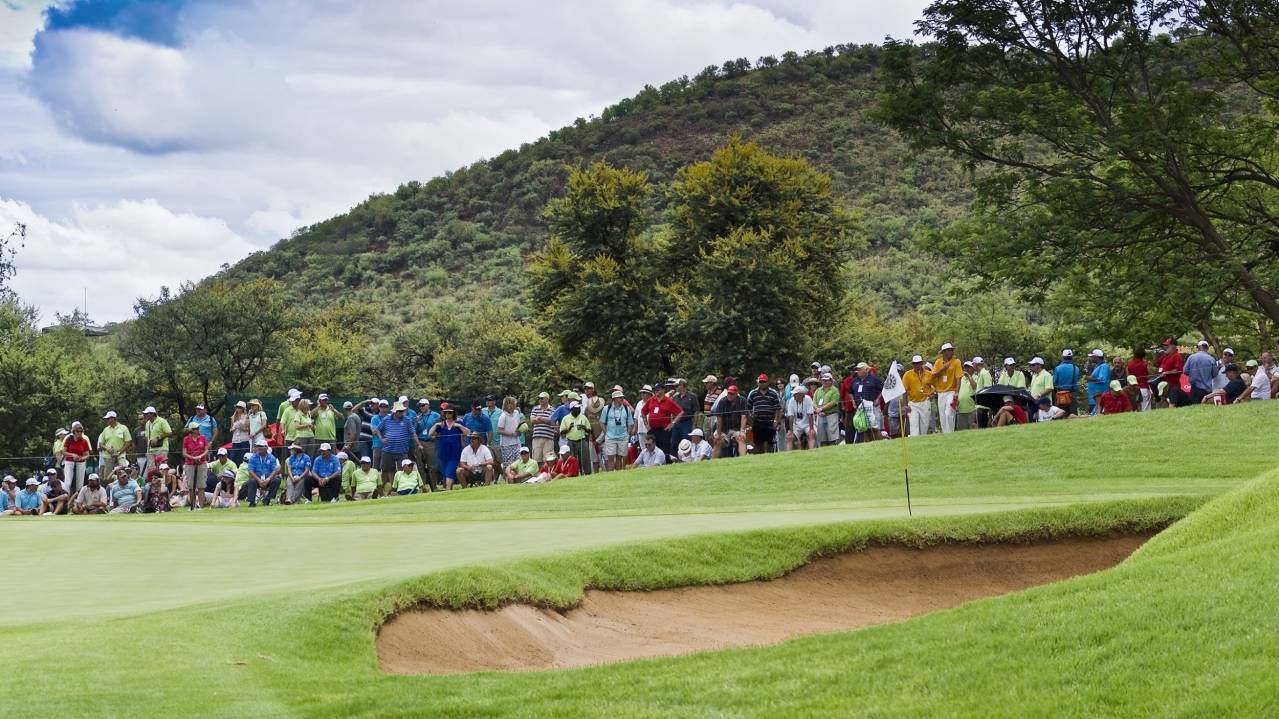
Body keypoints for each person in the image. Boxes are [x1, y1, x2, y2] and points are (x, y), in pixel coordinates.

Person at [376, 403, 420, 495]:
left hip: (402, 450)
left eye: (403, 411)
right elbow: (378, 430)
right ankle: (381, 491)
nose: (402, 413)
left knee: (402, 470)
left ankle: (398, 490)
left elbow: (413, 433)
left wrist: (418, 444)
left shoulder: (407, 420)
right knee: (386, 470)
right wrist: (382, 439)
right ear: (395, 412)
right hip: (388, 450)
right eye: (400, 411)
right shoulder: (386, 419)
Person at [429, 406, 469, 490]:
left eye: (450, 412)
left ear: (453, 413)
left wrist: (459, 426)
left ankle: (448, 489)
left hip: (454, 453)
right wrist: (436, 425)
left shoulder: (458, 422)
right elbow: (430, 434)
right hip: (443, 452)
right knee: (445, 472)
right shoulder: (441, 424)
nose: (447, 414)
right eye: (446, 412)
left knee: (449, 471)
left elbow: (468, 432)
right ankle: (449, 489)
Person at [930, 343, 963, 434]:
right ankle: (946, 435)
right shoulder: (938, 362)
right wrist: (943, 369)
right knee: (942, 416)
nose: (951, 352)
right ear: (943, 352)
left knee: (949, 413)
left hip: (951, 392)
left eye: (951, 350)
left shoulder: (956, 362)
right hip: (940, 393)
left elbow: (958, 378)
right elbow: (932, 376)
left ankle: (950, 434)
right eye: (948, 350)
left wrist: (956, 392)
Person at [644, 384, 683, 456]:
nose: (656, 391)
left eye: (658, 389)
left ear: (663, 390)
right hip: (652, 430)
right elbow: (643, 412)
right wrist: (646, 424)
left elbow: (680, 412)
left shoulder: (668, 401)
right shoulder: (651, 400)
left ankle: (665, 464)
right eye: (655, 390)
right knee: (651, 449)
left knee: (664, 450)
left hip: (664, 430)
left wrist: (673, 423)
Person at [745, 374, 781, 453]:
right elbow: (748, 408)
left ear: (767, 382)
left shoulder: (773, 393)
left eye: (764, 382)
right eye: (761, 382)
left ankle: (770, 460)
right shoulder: (753, 393)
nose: (762, 383)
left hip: (770, 422)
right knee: (758, 444)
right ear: (758, 382)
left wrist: (776, 421)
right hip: (757, 422)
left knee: (770, 444)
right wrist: (751, 421)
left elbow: (778, 408)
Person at [413, 399, 441, 492]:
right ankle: (423, 487)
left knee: (432, 465)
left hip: (431, 442)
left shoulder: (435, 415)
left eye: (422, 405)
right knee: (420, 465)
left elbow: (440, 428)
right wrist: (416, 422)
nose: (421, 407)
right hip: (420, 442)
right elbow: (415, 431)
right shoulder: (419, 416)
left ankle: (434, 486)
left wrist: (436, 436)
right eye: (420, 406)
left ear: (427, 405)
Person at [558, 401, 593, 475]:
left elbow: (589, 429)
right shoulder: (566, 418)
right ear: (571, 409)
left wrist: (584, 428)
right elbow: (561, 432)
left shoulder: (583, 417)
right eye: (576, 408)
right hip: (571, 442)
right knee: (572, 460)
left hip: (582, 440)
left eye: (579, 408)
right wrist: (569, 429)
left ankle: (587, 474)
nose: (578, 409)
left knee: (585, 459)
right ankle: (573, 475)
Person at [901, 356, 934, 437]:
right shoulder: (907, 375)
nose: (917, 365)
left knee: (924, 427)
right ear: (912, 364)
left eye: (918, 363)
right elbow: (904, 390)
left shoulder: (929, 374)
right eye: (915, 363)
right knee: (913, 426)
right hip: (913, 404)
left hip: (925, 402)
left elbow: (935, 386)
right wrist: (905, 405)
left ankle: (922, 444)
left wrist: (933, 393)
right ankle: (915, 443)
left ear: (922, 363)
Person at [244, 439, 282, 507]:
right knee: (251, 481)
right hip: (257, 479)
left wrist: (268, 479)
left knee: (277, 480)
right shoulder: (253, 457)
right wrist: (259, 480)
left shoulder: (272, 458)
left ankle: (267, 499)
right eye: (257, 446)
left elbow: (275, 470)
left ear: (266, 447)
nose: (259, 448)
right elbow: (250, 470)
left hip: (268, 479)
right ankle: (252, 502)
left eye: (261, 446)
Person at [180, 422, 209, 509]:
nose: (198, 430)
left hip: (202, 463)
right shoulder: (186, 439)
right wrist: (193, 457)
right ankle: (192, 506)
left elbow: (206, 450)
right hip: (190, 464)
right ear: (192, 430)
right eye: (196, 428)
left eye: (198, 428)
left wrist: (200, 456)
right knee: (191, 487)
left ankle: (200, 506)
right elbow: (184, 453)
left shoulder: (203, 438)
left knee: (201, 486)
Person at [97, 411, 132, 481]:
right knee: (107, 477)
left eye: (108, 418)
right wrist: (107, 448)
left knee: (124, 472)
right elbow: (101, 444)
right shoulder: (105, 430)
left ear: (113, 419)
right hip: (108, 456)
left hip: (121, 455)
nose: (106, 420)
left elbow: (128, 441)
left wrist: (119, 452)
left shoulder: (123, 428)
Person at [60, 422, 92, 495]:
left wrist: (81, 458)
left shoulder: (84, 441)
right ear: (74, 432)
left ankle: (77, 501)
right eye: (78, 431)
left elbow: (88, 455)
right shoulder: (69, 439)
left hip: (81, 463)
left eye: (81, 431)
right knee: (67, 482)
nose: (80, 433)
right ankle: (66, 499)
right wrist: (72, 455)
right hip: (69, 462)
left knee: (79, 484)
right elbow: (63, 452)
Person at [494, 396, 524, 473]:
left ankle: (517, 479)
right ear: (509, 405)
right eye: (514, 404)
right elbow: (499, 430)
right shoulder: (503, 416)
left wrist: (519, 431)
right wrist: (511, 434)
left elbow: (517, 426)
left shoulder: (516, 413)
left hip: (517, 442)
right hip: (506, 444)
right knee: (508, 464)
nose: (515, 405)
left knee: (518, 462)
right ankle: (508, 479)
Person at [529, 392, 558, 467]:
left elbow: (553, 423)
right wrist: (547, 420)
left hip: (549, 438)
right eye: (539, 398)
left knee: (548, 459)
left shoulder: (553, 410)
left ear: (547, 399)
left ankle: (547, 476)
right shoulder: (535, 408)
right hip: (537, 437)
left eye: (542, 398)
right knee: (536, 459)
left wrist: (540, 418)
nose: (540, 400)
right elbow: (532, 420)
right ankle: (538, 477)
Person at [1184, 340, 1217, 405]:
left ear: (1198, 348)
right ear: (1207, 348)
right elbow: (1215, 374)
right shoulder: (1211, 359)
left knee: (1194, 409)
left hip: (1194, 389)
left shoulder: (1191, 357)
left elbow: (1185, 371)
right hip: (1207, 389)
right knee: (1206, 410)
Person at [812, 373, 841, 446]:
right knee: (822, 439)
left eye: (826, 380)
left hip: (831, 415)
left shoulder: (835, 390)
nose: (824, 382)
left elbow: (833, 402)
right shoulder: (818, 390)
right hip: (820, 416)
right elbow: (814, 402)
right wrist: (818, 410)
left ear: (831, 381)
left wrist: (821, 409)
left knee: (832, 439)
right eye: (823, 380)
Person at [1155, 339, 1187, 406]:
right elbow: (1156, 364)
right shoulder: (1165, 356)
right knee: (1163, 402)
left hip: (1172, 387)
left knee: (1172, 404)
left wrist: (1166, 373)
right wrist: (1156, 354)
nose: (1165, 347)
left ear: (1173, 346)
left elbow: (1178, 370)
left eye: (1167, 345)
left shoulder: (1177, 356)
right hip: (1163, 386)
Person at [785, 384, 817, 450]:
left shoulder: (808, 399)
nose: (793, 395)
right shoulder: (791, 400)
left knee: (811, 435)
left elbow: (810, 415)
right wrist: (791, 431)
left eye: (795, 394)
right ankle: (788, 456)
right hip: (796, 425)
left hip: (808, 424)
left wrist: (811, 429)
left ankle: (812, 452)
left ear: (801, 394)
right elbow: (791, 417)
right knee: (789, 437)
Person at [1052, 350, 1082, 416]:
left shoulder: (1058, 368)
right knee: (1073, 414)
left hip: (1061, 394)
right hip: (1072, 394)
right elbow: (1077, 380)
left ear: (1063, 357)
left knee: (1061, 414)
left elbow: (1054, 382)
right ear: (1072, 357)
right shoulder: (1076, 368)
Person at [1084, 350, 1111, 414]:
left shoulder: (1104, 366)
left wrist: (1089, 378)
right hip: (1094, 397)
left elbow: (1102, 380)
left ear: (1096, 357)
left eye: (1092, 356)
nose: (1091, 358)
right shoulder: (1098, 366)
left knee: (1097, 414)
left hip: (1099, 398)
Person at [956, 361, 978, 431]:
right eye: (965, 367)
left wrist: (969, 376)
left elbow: (975, 386)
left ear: (972, 368)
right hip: (961, 409)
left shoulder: (976, 377)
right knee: (961, 433)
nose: (966, 369)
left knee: (973, 431)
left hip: (972, 409)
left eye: (968, 367)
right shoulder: (961, 379)